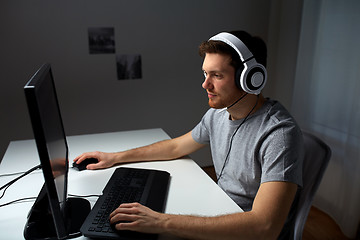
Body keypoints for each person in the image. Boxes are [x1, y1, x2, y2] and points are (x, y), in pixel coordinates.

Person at [74, 30, 303, 240]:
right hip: (219, 212)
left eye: (217, 75)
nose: (205, 84)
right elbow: (175, 147)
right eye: (205, 73)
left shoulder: (278, 134)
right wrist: (114, 158)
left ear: (251, 78)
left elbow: (264, 227)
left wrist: (161, 222)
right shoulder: (219, 115)